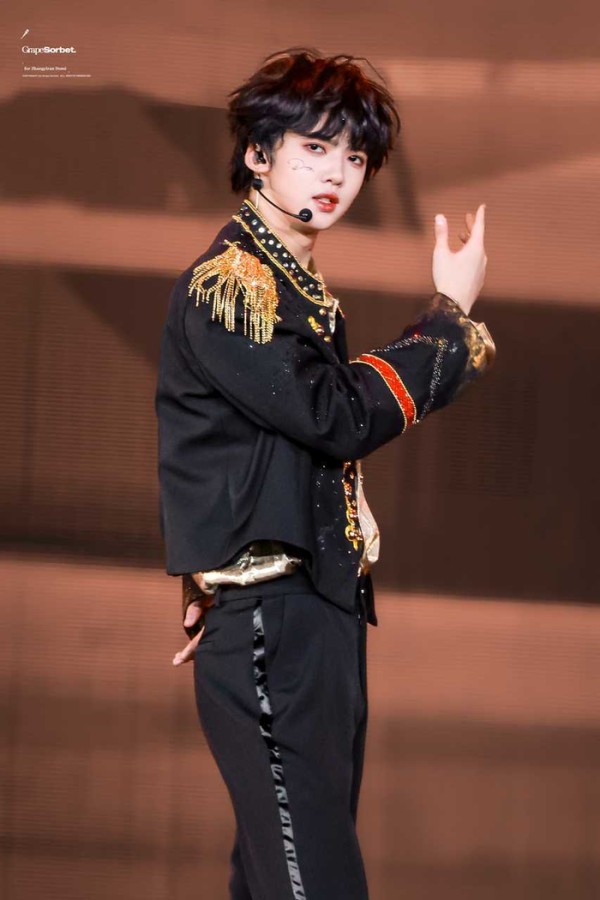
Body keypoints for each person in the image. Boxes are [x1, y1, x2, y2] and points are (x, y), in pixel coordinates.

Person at [154, 47, 495, 900]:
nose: (339, 172)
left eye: (355, 155)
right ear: (258, 153)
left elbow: (247, 452)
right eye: (315, 147)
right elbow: (334, 416)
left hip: (310, 616)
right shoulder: (233, 284)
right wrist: (448, 321)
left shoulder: (292, 286)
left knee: (282, 880)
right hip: (276, 624)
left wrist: (210, 571)